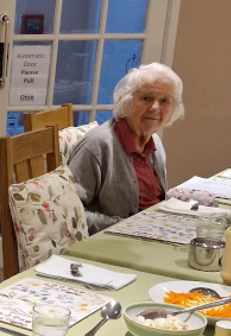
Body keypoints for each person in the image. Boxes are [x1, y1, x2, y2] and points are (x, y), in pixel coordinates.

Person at [67, 62, 185, 234]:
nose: (155, 108)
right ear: (126, 101)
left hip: (154, 235)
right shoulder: (99, 144)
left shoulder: (155, 143)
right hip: (115, 244)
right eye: (146, 98)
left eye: (164, 101)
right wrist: (131, 226)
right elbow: (70, 215)